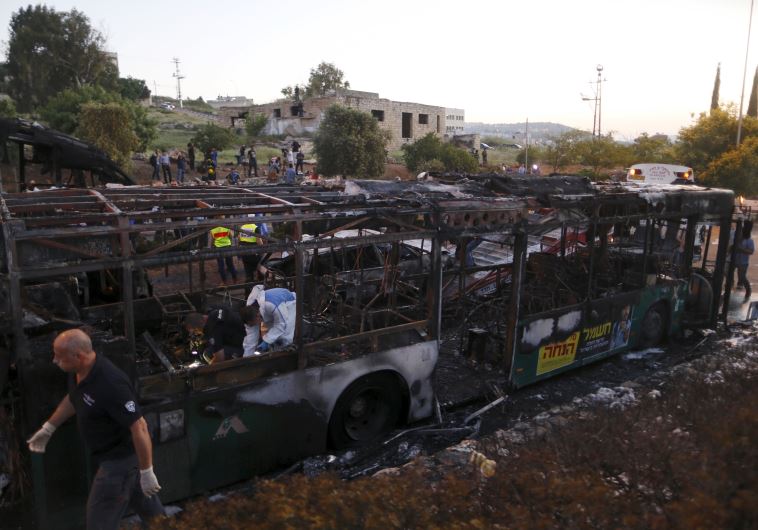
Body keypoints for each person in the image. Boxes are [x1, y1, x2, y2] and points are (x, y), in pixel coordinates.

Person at [27, 329, 165, 529]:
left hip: (119, 462)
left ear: (79, 356)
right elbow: (75, 398)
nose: (55, 361)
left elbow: (140, 427)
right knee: (154, 517)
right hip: (119, 461)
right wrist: (49, 427)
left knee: (99, 522)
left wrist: (147, 471)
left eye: (59, 357)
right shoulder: (80, 372)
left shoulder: (111, 383)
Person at [245, 285, 297, 351]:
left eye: (253, 323)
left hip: (288, 302)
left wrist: (267, 341)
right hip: (271, 307)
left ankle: (286, 348)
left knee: (284, 334)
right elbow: (251, 336)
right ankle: (275, 348)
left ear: (257, 316)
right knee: (271, 332)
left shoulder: (271, 305)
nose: (254, 325)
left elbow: (282, 324)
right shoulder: (250, 310)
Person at [238, 221, 264, 288]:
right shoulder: (255, 228)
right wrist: (264, 248)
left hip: (244, 253)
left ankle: (248, 292)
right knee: (260, 271)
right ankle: (260, 288)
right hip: (254, 254)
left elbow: (239, 239)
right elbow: (259, 241)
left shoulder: (242, 227)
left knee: (248, 274)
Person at [735, 220, 754, 302]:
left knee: (742, 277)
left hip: (743, 262)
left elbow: (751, 251)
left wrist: (741, 249)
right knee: (727, 272)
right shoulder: (737, 237)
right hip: (734, 260)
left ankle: (748, 290)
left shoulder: (749, 240)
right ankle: (728, 289)